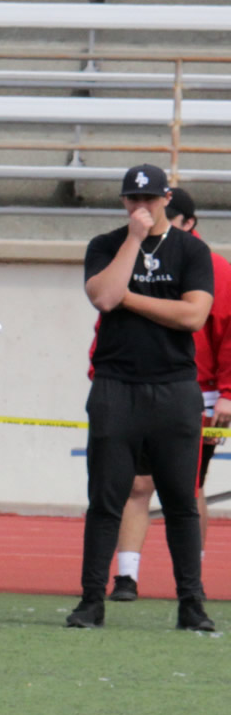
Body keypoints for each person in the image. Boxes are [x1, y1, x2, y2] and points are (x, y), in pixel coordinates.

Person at [69, 165, 215, 632]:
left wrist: (130, 297)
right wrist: (133, 241)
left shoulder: (192, 250)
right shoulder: (106, 245)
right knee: (106, 499)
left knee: (180, 501)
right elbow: (103, 298)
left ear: (167, 198)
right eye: (133, 199)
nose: (141, 206)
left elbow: (193, 315)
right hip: (116, 387)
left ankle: (191, 603)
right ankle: (92, 600)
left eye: (150, 199)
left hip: (174, 388)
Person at [110, 186, 231, 600]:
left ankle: (190, 581)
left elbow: (228, 331)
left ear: (187, 222)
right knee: (137, 485)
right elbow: (108, 321)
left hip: (198, 394)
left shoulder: (214, 267)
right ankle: (126, 576)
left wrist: (228, 393)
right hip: (136, 386)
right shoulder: (136, 257)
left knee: (186, 487)